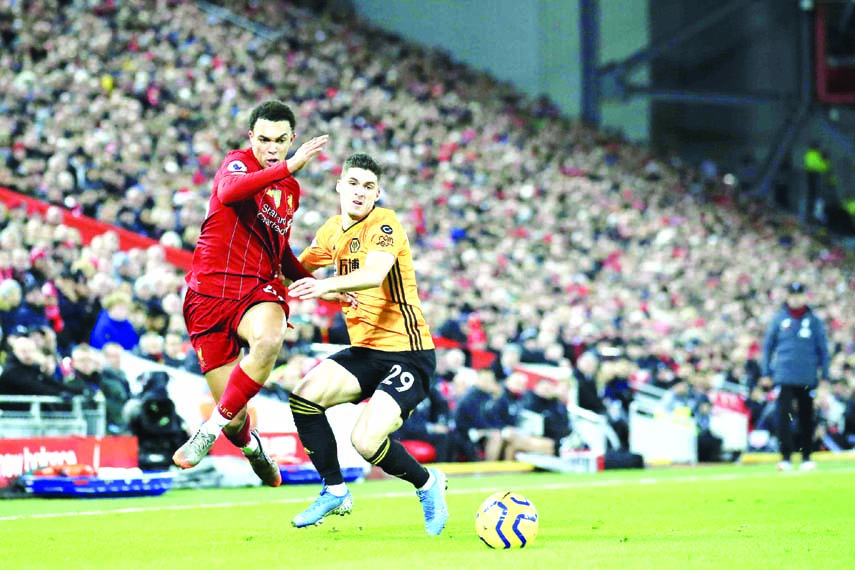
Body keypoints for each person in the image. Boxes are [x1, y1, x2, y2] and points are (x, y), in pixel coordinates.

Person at [286, 153, 448, 535]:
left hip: (408, 353)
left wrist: (325, 287)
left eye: (369, 186)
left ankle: (427, 484)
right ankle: (335, 490)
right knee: (304, 397)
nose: (360, 192)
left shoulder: (385, 224)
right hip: (366, 351)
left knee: (365, 439)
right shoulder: (329, 232)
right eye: (354, 183)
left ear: (377, 193)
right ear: (340, 185)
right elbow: (294, 270)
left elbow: (374, 274)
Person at [171, 100, 328, 488]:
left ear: (292, 138)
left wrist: (327, 288)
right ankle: (252, 446)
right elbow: (228, 193)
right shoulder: (238, 163)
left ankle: (207, 430)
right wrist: (287, 166)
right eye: (263, 139)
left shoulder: (289, 190)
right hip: (207, 295)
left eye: (280, 141)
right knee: (236, 418)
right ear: (250, 137)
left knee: (270, 337)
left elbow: (281, 252)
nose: (271, 148)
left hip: (256, 289)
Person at [761, 281, 830, 471]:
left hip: (807, 377)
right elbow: (767, 347)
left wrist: (825, 377)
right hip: (784, 376)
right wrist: (766, 372)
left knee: (807, 417)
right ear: (787, 296)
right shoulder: (779, 319)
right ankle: (785, 457)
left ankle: (807, 455)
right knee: (783, 417)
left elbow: (823, 351)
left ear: (805, 297)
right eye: (792, 295)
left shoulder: (814, 321)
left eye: (799, 295)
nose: (795, 299)